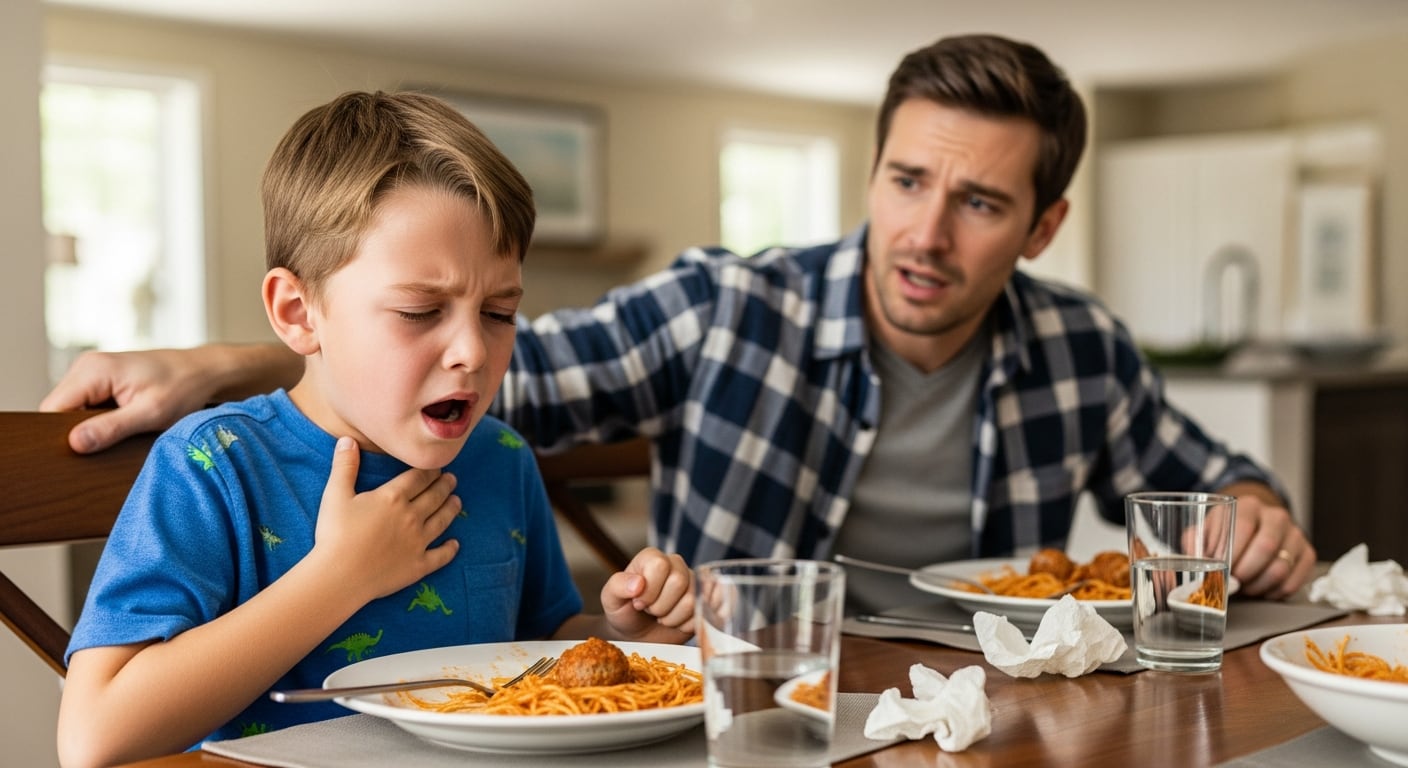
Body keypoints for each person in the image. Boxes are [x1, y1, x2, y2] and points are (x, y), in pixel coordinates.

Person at [43, 34, 1315, 616]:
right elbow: (497, 373)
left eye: (980, 202)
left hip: (989, 710)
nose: (926, 233)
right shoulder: (729, 308)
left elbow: (1205, 490)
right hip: (754, 712)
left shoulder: (1078, 349)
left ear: (1040, 227)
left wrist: (1253, 511)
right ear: (872, 176)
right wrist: (242, 362)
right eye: (906, 182)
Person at [55, 91, 694, 768]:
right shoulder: (216, 466)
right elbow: (96, 736)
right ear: (299, 312)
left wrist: (624, 636)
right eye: (420, 311)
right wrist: (339, 578)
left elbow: (541, 641)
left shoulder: (502, 458)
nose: (473, 352)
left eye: (500, 313)